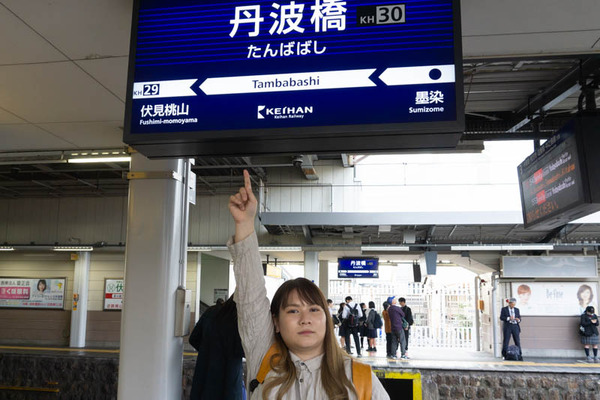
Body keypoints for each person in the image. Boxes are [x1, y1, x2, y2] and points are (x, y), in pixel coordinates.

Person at [228, 170, 389, 399]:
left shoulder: (360, 378)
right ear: (275, 322)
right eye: (293, 310)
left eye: (314, 309)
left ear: (326, 317)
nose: (305, 318)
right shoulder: (263, 359)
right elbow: (250, 296)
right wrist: (244, 224)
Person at [189, 297, 245, 400]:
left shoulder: (211, 311)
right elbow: (244, 351)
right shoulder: (239, 321)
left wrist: (207, 351)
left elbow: (193, 339)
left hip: (203, 383)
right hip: (228, 388)